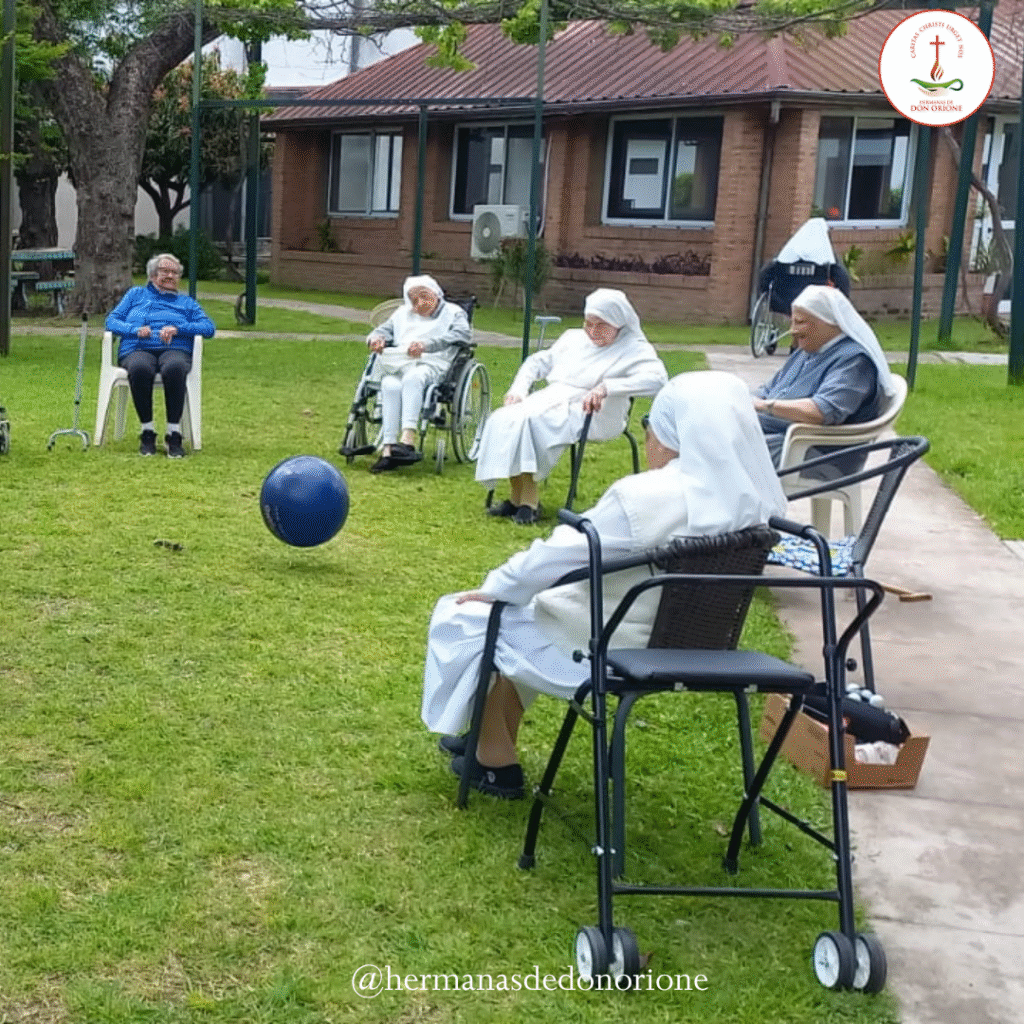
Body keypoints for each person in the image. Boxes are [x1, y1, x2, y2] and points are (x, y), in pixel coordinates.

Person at [421, 371, 787, 799]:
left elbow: (554, 557)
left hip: (604, 647)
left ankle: (493, 762)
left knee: (470, 616)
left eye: (650, 425)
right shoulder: (753, 499)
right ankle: (490, 738)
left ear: (670, 433)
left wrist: (494, 589)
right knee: (523, 623)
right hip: (692, 649)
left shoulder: (647, 496)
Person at [475, 288, 667, 525]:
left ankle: (529, 502)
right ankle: (517, 497)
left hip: (597, 411)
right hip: (554, 397)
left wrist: (608, 387)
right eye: (588, 324)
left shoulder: (635, 348)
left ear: (619, 323)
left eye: (601, 326)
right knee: (504, 418)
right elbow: (537, 362)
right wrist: (518, 389)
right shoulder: (573, 338)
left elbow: (657, 380)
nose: (593, 332)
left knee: (533, 422)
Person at [751, 284, 896, 467]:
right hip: (780, 438)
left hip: (815, 455)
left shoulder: (854, 360)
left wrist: (766, 406)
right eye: (793, 322)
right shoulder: (806, 352)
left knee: (728, 449)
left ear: (829, 322)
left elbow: (822, 411)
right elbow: (768, 389)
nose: (793, 330)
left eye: (800, 322)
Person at [105, 254, 215, 458]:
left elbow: (208, 328)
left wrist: (178, 329)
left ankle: (174, 433)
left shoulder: (186, 303)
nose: (170, 276)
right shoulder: (136, 295)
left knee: (175, 368)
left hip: (175, 349)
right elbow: (111, 321)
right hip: (137, 348)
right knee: (139, 368)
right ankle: (147, 432)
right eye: (165, 271)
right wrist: (134, 330)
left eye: (175, 273)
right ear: (152, 275)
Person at [364, 275, 471, 474]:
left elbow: (463, 335)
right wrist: (376, 340)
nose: (420, 303)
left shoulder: (454, 312)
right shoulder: (401, 313)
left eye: (424, 296)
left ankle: (408, 439)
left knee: (414, 378)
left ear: (436, 293)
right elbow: (381, 331)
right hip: (401, 363)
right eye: (414, 300)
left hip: (433, 362)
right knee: (389, 384)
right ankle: (388, 449)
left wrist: (427, 345)